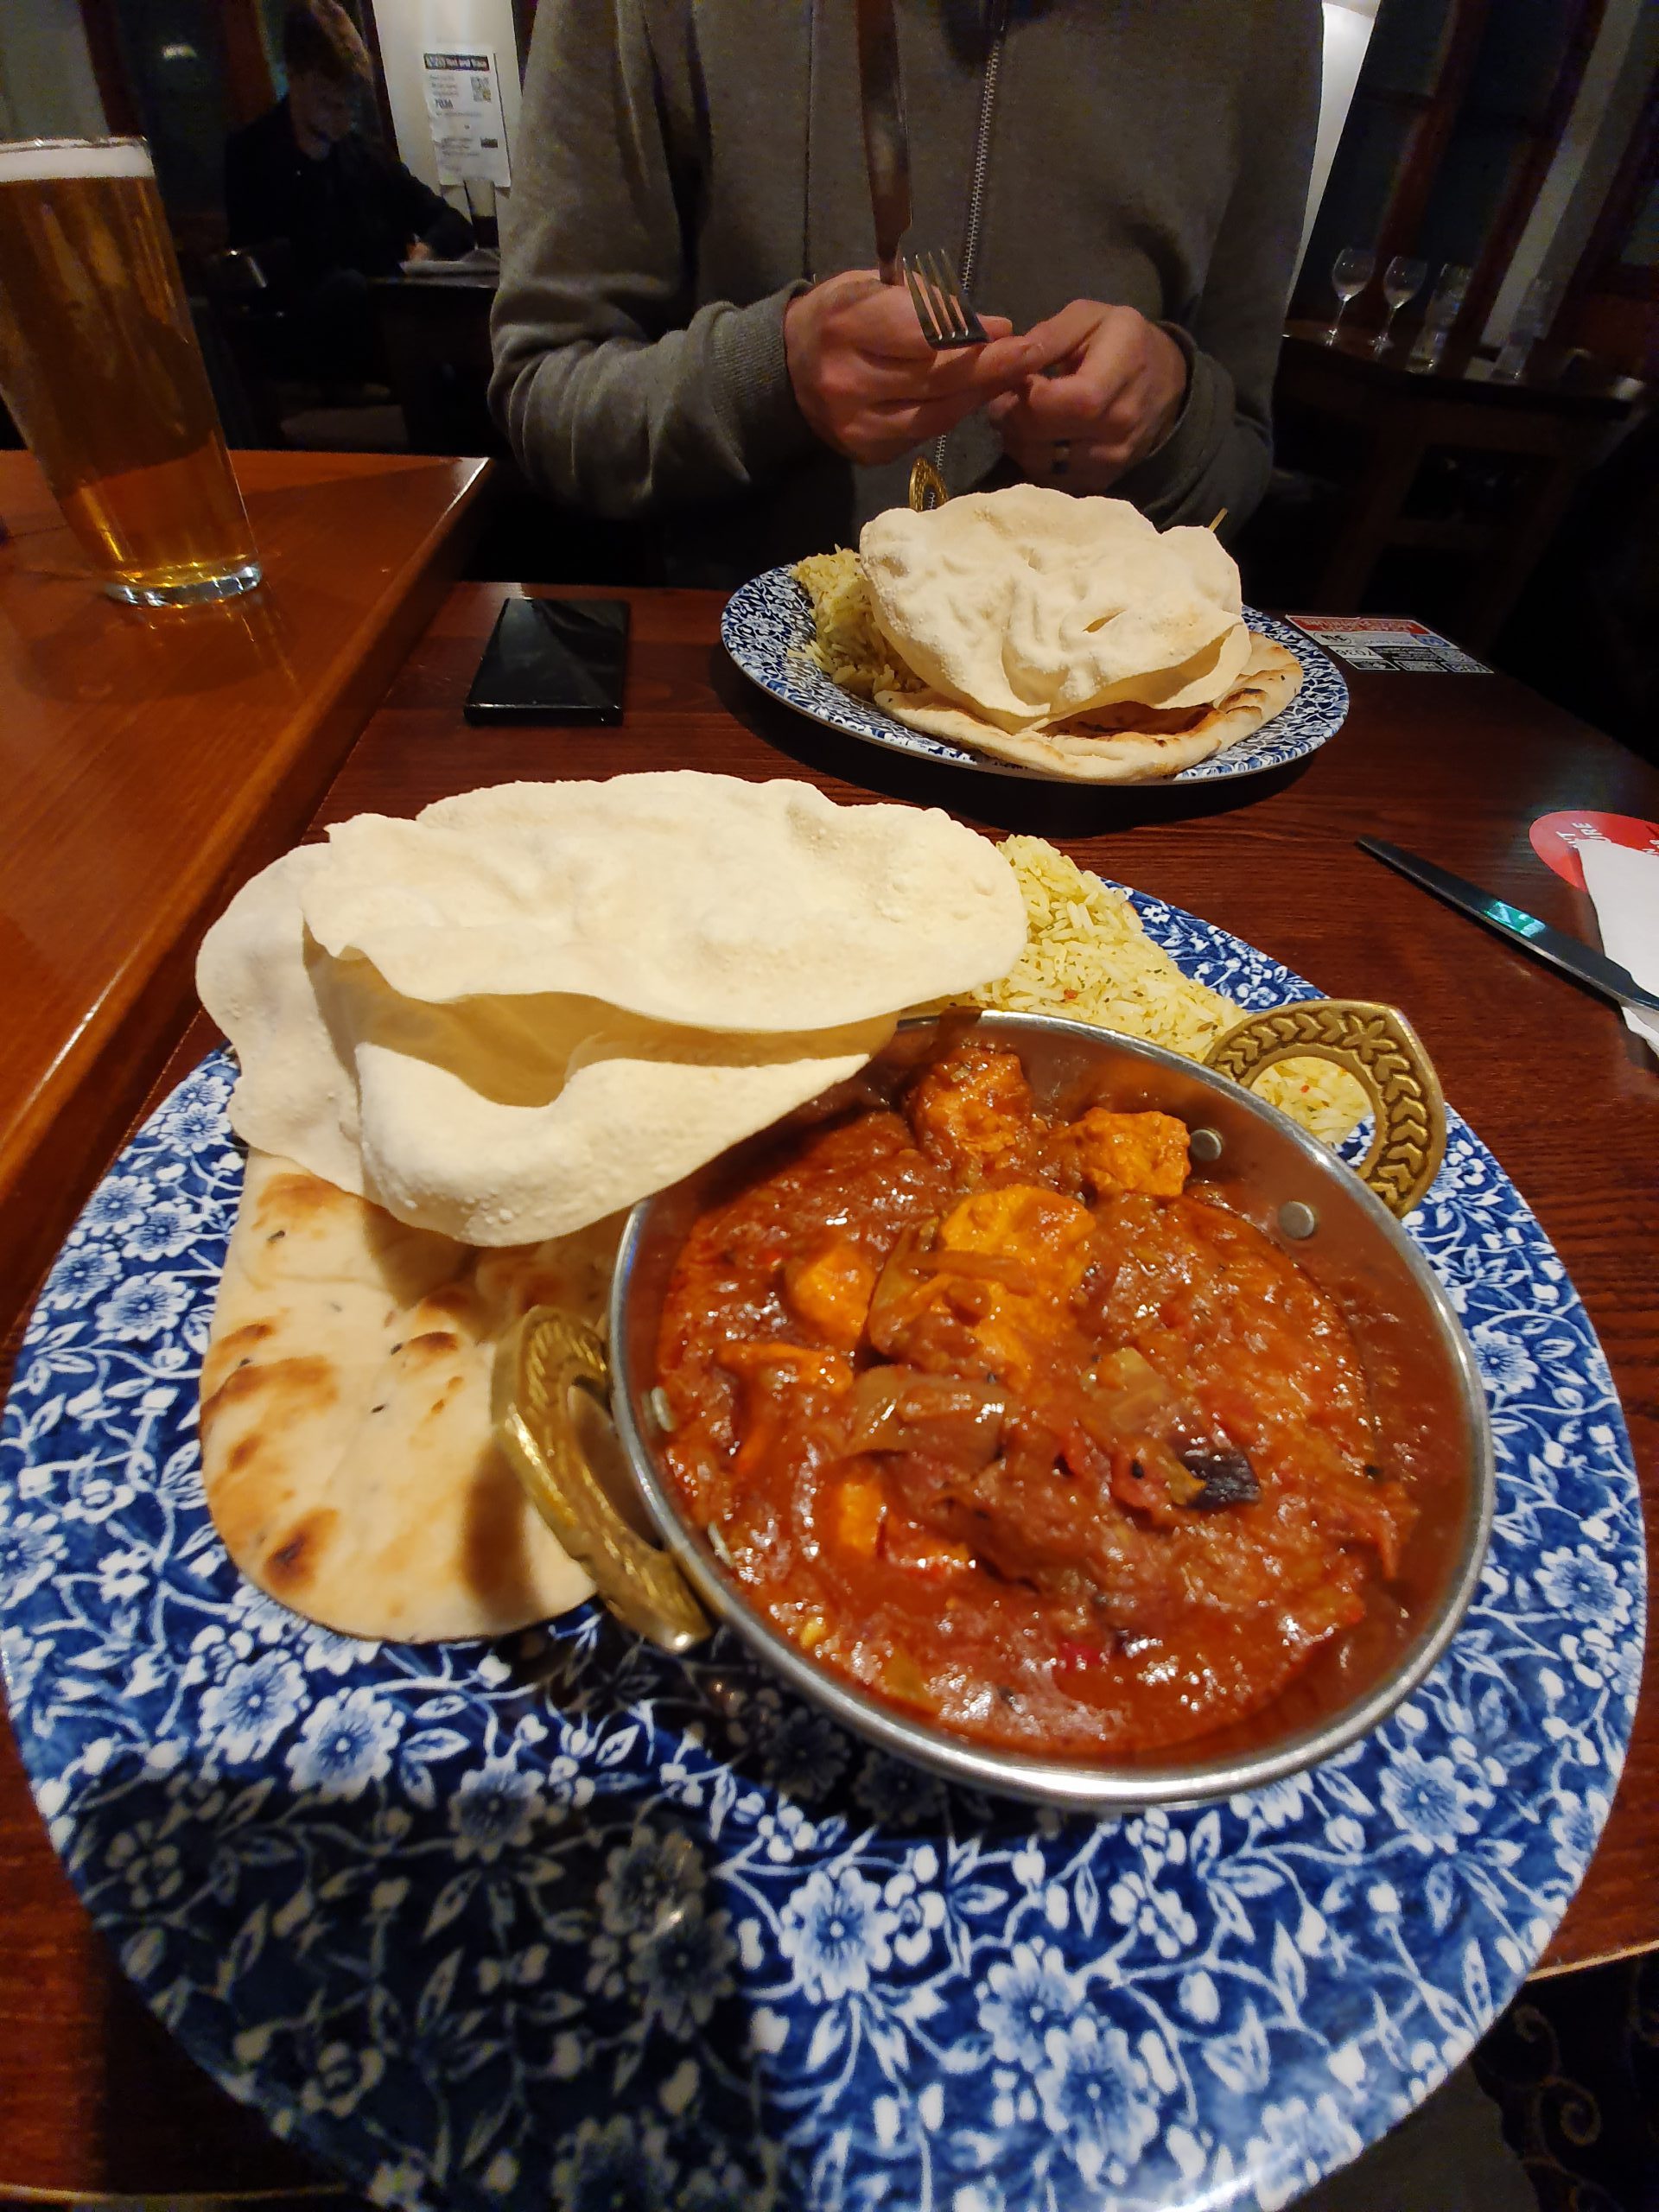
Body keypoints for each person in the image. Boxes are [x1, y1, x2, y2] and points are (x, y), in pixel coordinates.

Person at [491, 0, 1318, 583]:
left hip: (1082, 721)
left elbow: (1241, 456)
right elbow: (547, 397)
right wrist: (771, 379)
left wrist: (1167, 416)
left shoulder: (1264, 21)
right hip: (732, 700)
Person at [225, 0, 472, 385]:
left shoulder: (366, 156)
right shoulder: (252, 157)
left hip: (394, 344)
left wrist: (424, 253)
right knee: (350, 291)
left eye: (350, 105)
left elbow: (451, 222)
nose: (343, 117)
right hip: (314, 360)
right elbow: (265, 287)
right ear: (293, 75)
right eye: (329, 103)